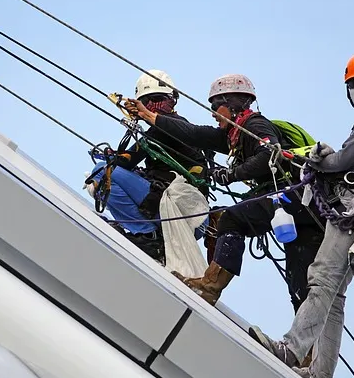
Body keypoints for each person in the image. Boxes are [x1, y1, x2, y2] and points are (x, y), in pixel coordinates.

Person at [248, 51, 354, 378]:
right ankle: (320, 375)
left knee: (321, 280)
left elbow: (344, 161)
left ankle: (289, 351)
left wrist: (319, 158)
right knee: (334, 297)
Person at [126, 74, 325, 317]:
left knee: (232, 218)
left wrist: (231, 174)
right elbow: (193, 133)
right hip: (303, 206)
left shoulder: (254, 125)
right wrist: (150, 117)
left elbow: (268, 155)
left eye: (214, 106)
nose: (212, 112)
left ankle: (211, 285)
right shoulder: (232, 135)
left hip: (293, 196)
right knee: (298, 278)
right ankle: (307, 350)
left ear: (232, 104)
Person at [88, 69, 209, 264]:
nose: (152, 107)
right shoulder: (175, 128)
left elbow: (127, 160)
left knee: (102, 172)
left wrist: (114, 158)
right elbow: (130, 157)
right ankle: (150, 235)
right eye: (146, 102)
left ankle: (146, 235)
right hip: (192, 217)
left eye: (158, 100)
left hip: (183, 212)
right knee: (108, 175)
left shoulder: (168, 127)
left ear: (172, 101)